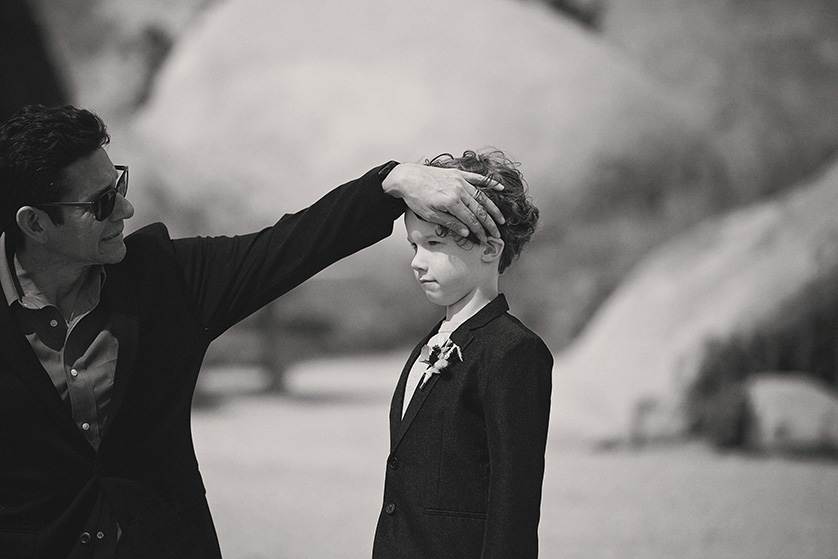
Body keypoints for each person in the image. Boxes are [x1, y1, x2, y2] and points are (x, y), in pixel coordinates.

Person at [0, 104, 505, 559]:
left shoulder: (165, 281)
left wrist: (389, 182)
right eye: (102, 203)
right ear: (35, 224)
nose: (126, 210)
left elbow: (290, 245)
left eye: (121, 186)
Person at [372, 150, 553, 559]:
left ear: (490, 249)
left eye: (434, 244)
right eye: (413, 246)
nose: (418, 263)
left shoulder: (514, 352)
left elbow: (515, 501)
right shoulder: (430, 341)